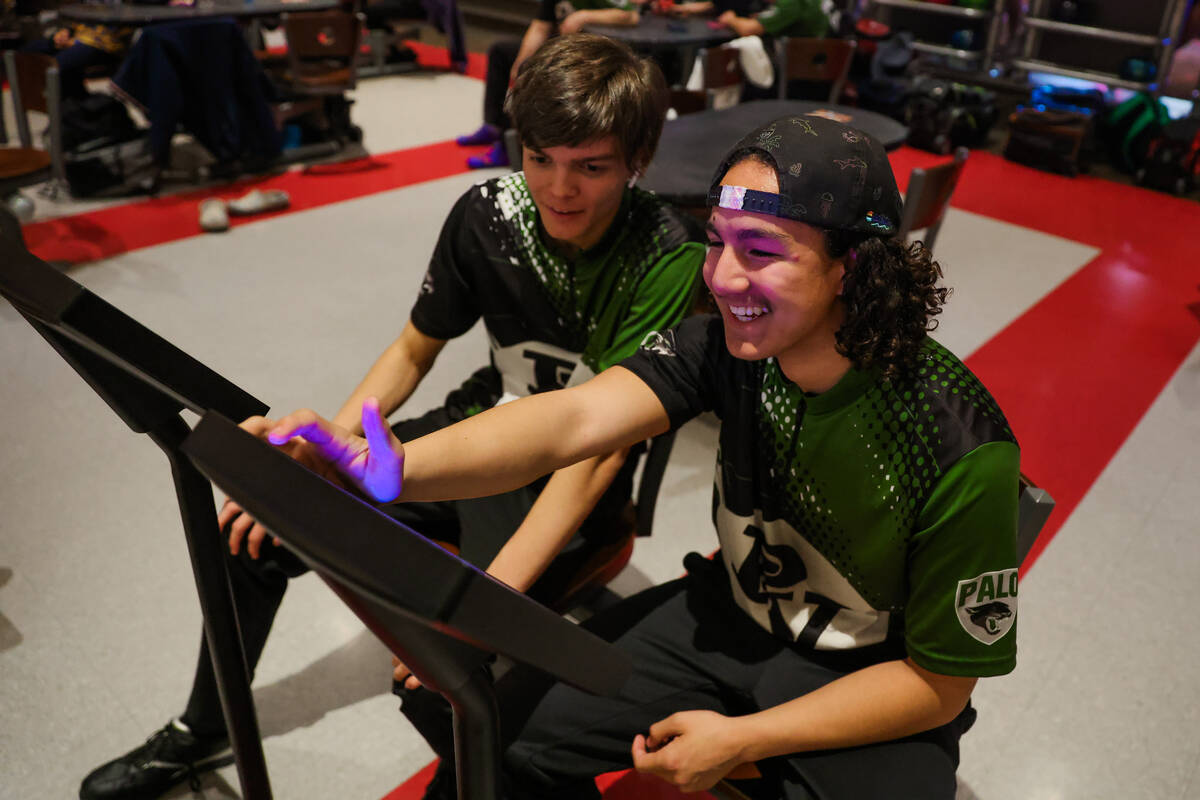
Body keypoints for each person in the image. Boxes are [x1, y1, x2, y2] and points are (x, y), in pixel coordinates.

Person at [255, 113, 1021, 799]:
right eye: (717, 243)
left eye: (760, 252)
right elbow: (573, 420)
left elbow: (939, 687)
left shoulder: (959, 446)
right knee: (492, 734)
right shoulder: (724, 347)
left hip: (866, 670)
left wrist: (746, 740)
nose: (720, 279)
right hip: (731, 614)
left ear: (853, 267)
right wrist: (392, 467)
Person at [78, 33, 704, 800]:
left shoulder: (669, 255)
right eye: (540, 158)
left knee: (447, 685)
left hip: (570, 491)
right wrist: (315, 461)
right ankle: (201, 729)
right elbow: (413, 351)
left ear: (636, 160)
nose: (558, 187)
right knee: (260, 529)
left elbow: (594, 453)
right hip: (478, 427)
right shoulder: (486, 213)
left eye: (590, 167)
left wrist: (486, 607)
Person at [455, 0, 639, 169]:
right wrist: (520, 63)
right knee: (502, 54)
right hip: (558, 48)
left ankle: (508, 147)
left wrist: (585, 16)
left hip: (592, 60)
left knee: (533, 73)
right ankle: (494, 126)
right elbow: (539, 27)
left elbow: (630, 15)